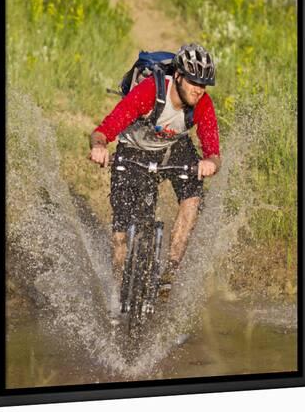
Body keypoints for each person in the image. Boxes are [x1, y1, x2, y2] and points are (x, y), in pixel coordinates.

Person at [89, 43, 221, 299]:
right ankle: (117, 292)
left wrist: (211, 163)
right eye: (194, 82)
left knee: (193, 196)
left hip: (173, 148)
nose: (199, 90)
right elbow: (105, 128)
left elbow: (213, 150)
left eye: (204, 85)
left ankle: (170, 272)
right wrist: (99, 147)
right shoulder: (151, 90)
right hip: (133, 149)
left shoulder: (202, 103)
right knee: (120, 233)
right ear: (179, 76)